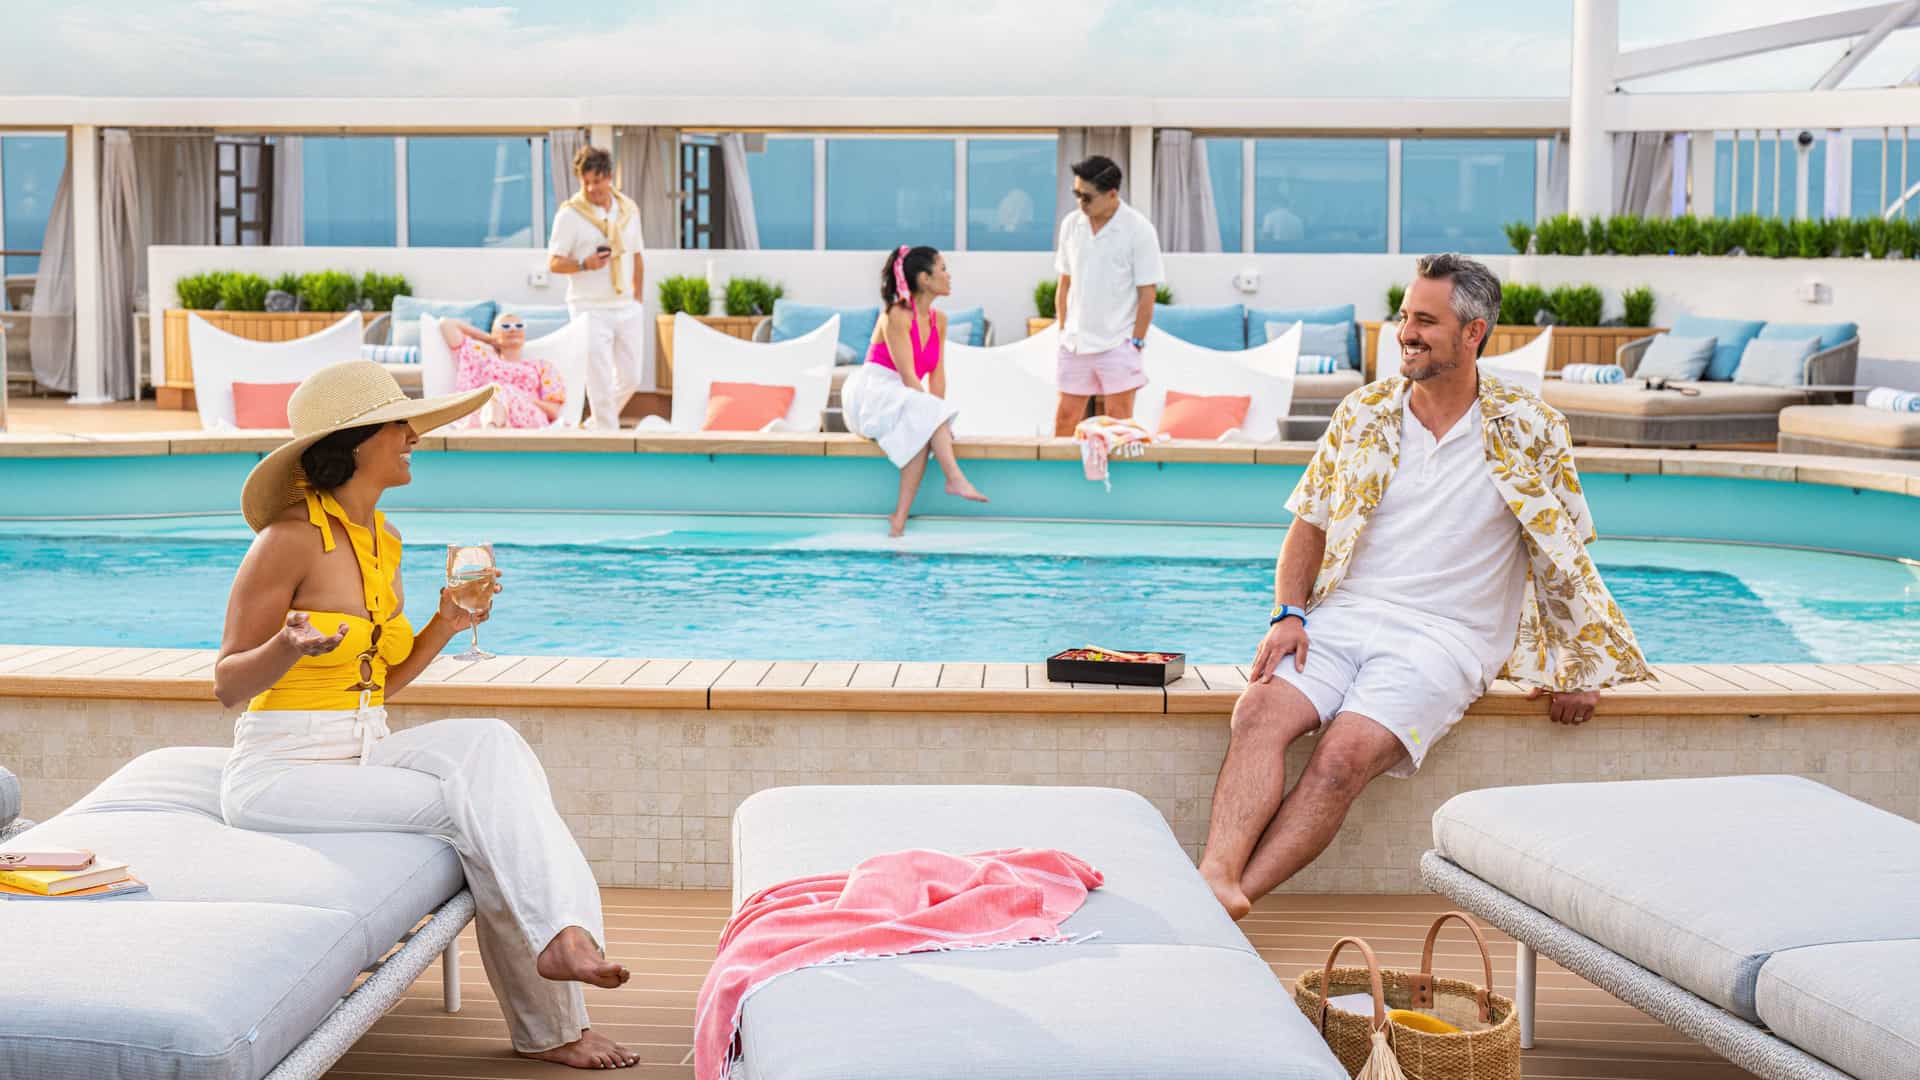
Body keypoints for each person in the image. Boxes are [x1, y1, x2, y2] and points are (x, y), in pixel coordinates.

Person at [1196, 253, 1653, 920]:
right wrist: (1288, 614)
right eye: (1405, 316)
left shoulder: (1530, 428)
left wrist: (1575, 664)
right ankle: (1216, 877)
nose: (1406, 332)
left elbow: (1564, 552)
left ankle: (1229, 901)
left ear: (1472, 334)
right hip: (1344, 617)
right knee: (1258, 712)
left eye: (1425, 321)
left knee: (1340, 760)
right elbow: (1309, 523)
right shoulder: (1365, 413)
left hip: (1447, 639)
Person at [213, 362, 639, 1070]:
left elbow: (382, 685)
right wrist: (287, 645)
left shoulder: (385, 539)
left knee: (493, 746)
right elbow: (227, 683)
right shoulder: (286, 541)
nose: (414, 435)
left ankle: (565, 936)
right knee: (471, 808)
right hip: (280, 771)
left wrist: (444, 622)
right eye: (399, 426)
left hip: (364, 748)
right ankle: (556, 1007)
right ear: (355, 442)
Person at [840, 245, 989, 537]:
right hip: (871, 392)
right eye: (943, 269)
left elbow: (938, 378)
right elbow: (908, 375)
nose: (949, 276)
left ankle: (899, 519)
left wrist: (938, 423)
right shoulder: (896, 315)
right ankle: (954, 478)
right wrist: (935, 417)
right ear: (924, 278)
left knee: (924, 426)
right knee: (925, 417)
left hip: (904, 396)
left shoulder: (940, 321)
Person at [1051, 154, 1165, 436]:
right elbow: (1064, 282)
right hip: (1075, 342)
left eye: (1087, 197)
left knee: (1119, 423)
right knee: (1065, 419)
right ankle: (1060, 480)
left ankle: (1119, 481)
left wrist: (1135, 341)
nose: (1081, 203)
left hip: (1118, 343)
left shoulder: (1138, 230)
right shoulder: (1071, 225)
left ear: (1112, 194)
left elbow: (1148, 293)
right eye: (1076, 194)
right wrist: (1063, 329)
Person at [548, 145, 643, 431]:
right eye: (585, 182)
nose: (591, 188)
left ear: (610, 176)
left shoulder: (627, 210)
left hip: (626, 305)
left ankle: (594, 426)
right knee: (599, 380)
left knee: (631, 378)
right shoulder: (570, 215)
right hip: (589, 308)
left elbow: (637, 255)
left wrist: (638, 299)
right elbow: (554, 263)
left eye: (597, 181)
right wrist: (584, 264)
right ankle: (608, 440)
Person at [442, 311, 566, 429]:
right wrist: (488, 339)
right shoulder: (482, 358)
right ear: (495, 333)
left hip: (529, 418)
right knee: (492, 392)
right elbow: (446, 324)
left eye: (519, 325)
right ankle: (493, 429)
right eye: (505, 326)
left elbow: (554, 411)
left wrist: (517, 395)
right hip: (484, 413)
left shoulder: (541, 367)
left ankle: (491, 432)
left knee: (495, 390)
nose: (513, 329)